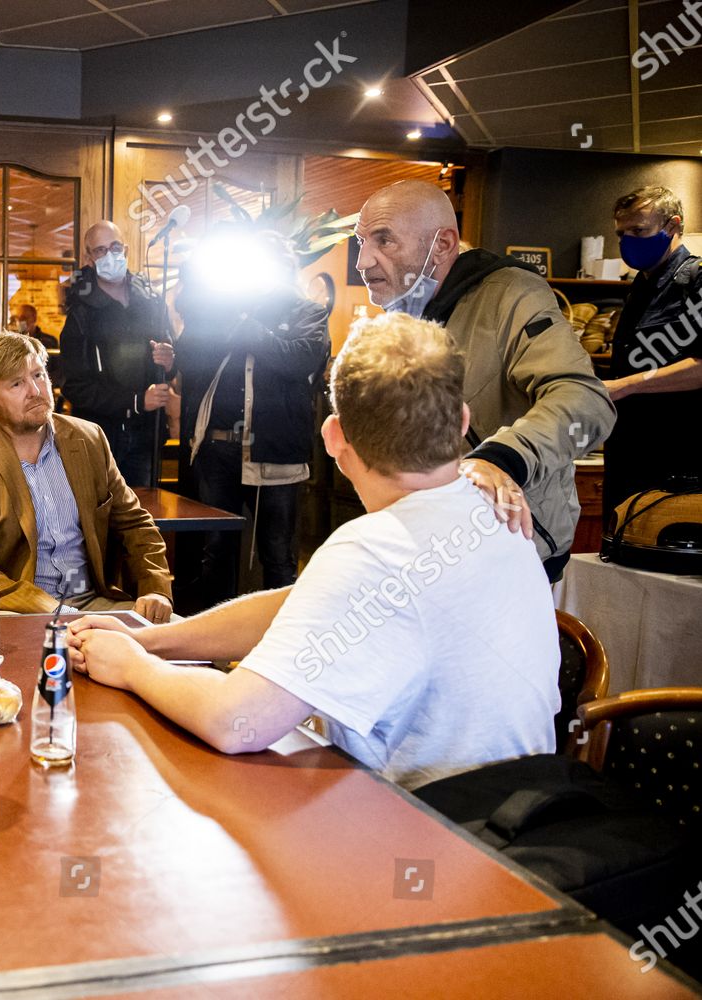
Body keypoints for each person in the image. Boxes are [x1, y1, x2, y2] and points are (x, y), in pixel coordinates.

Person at [68, 313, 559, 789]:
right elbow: (305, 607)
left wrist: (132, 666)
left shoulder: (374, 548)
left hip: (436, 834)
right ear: (463, 423)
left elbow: (235, 721)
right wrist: (153, 640)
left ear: (333, 435)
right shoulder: (496, 510)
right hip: (519, 819)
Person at [354, 180, 615, 581]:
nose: (363, 261)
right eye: (362, 241)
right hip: (431, 547)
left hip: (515, 546)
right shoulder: (402, 313)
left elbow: (586, 400)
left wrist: (502, 459)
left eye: (383, 240)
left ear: (442, 245)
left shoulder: (512, 293)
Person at [0, 333, 173, 622]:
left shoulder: (89, 438)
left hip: (93, 605)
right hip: (14, 612)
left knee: (185, 644)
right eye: (16, 383)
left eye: (38, 375)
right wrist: (58, 613)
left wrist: (155, 590)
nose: (35, 390)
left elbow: (135, 523)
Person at [174, 230, 330, 607]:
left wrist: (248, 327)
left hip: (274, 453)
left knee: (277, 554)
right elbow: (191, 359)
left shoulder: (306, 311)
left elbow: (300, 360)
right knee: (217, 550)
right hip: (218, 448)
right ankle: (212, 646)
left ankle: (279, 645)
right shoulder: (224, 308)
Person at [601, 186, 702, 516]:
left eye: (639, 230)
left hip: (678, 456)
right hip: (629, 449)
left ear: (672, 226)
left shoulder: (696, 281)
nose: (628, 240)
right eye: (622, 232)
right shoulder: (640, 287)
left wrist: (626, 385)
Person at [59, 220, 175, 487]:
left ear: (126, 249)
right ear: (89, 258)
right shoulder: (81, 313)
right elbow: (74, 386)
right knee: (98, 521)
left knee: (142, 519)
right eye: (100, 250)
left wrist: (170, 361)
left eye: (114, 247)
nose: (109, 255)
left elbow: (170, 362)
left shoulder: (152, 302)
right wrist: (136, 401)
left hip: (147, 437)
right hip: (98, 440)